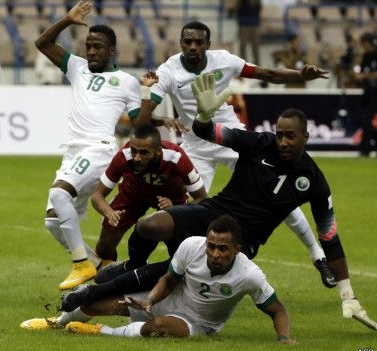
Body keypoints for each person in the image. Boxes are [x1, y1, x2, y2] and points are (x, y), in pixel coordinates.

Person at [67, 73, 377, 330]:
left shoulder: (314, 181)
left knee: (182, 266)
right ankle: (133, 267)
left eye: (290, 136)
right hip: (214, 211)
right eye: (280, 134)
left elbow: (330, 237)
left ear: (305, 138)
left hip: (243, 238)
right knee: (151, 225)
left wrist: (346, 292)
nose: (282, 141)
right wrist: (202, 115)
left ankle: (97, 290)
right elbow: (206, 132)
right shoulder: (258, 144)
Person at [131, 21, 335, 288]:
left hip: (231, 138)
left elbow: (268, 74)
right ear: (181, 43)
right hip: (195, 147)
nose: (193, 47)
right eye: (188, 42)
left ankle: (318, 256)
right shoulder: (169, 71)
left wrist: (300, 75)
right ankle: (182, 273)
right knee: (187, 211)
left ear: (208, 44)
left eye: (199, 42)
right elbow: (141, 123)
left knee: (275, 193)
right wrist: (148, 94)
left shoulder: (223, 61)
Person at [22, 215, 296, 344]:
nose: (213, 253)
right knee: (100, 304)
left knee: (158, 327)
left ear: (237, 249)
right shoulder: (192, 246)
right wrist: (150, 299)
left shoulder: (249, 275)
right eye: (211, 245)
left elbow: (277, 309)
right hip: (166, 300)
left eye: (222, 248)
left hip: (198, 323)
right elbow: (168, 278)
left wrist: (284, 337)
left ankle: (101, 332)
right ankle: (55, 323)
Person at [35, 0, 143, 290]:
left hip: (99, 148)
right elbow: (42, 43)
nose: (91, 51)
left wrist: (153, 102)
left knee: (59, 195)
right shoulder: (77, 67)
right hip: (73, 152)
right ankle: (100, 266)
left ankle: (81, 264)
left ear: (112, 51)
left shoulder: (127, 82)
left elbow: (138, 122)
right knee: (53, 222)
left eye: (98, 47)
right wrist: (67, 20)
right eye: (88, 46)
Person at [91, 123, 207, 268]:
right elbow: (97, 195)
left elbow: (202, 199)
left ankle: (177, 276)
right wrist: (109, 213)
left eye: (144, 152)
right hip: (133, 195)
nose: (137, 157)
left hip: (172, 199)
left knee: (181, 249)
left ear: (159, 151)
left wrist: (177, 210)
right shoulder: (124, 155)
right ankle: (108, 281)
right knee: (104, 247)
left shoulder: (178, 159)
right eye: (134, 151)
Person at [353, 32, 377, 157]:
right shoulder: (365, 56)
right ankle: (365, 148)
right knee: (363, 120)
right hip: (367, 91)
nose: (365, 47)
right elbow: (360, 71)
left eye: (366, 44)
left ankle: (365, 148)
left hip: (375, 92)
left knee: (366, 119)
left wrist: (364, 76)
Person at [235, 0, 261, 66]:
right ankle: (242, 65)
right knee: (243, 45)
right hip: (244, 25)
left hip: (254, 24)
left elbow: (259, 8)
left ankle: (257, 65)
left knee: (255, 46)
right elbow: (236, 9)